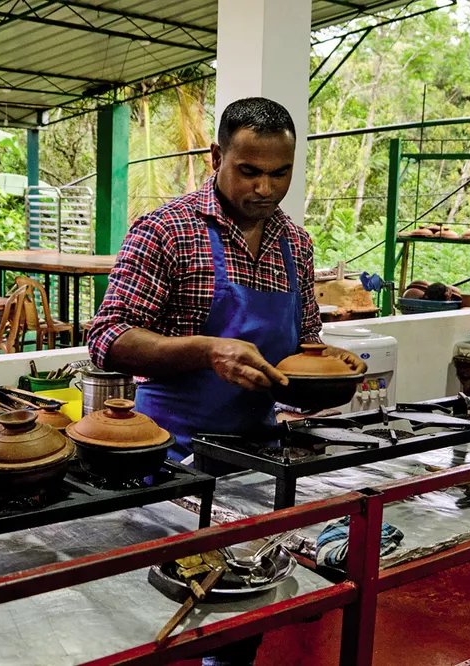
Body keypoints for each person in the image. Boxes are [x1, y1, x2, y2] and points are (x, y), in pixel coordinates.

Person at [87, 97, 366, 666]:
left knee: (242, 608)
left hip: (255, 459)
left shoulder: (296, 244)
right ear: (217, 157)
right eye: (250, 171)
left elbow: (303, 345)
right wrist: (206, 349)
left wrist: (331, 369)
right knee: (162, 610)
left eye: (280, 173)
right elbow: (107, 338)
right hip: (166, 462)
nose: (266, 188)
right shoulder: (168, 231)